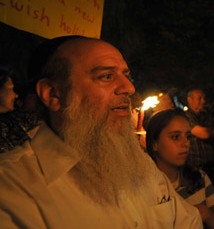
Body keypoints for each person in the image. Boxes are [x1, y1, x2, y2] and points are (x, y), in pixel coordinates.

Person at [0, 36, 202, 228]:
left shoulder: (141, 164)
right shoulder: (12, 188)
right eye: (106, 76)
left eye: (126, 75)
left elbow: (189, 221)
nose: (129, 88)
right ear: (53, 94)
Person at [146, 108, 214, 229]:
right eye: (175, 137)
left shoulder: (199, 179)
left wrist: (207, 215)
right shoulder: (143, 189)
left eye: (188, 136)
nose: (186, 143)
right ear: (154, 144)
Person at [185, 88, 214, 187]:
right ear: (190, 100)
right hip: (199, 169)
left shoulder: (206, 116)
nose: (203, 101)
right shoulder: (186, 117)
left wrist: (211, 131)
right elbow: (204, 134)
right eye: (199, 98)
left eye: (204, 98)